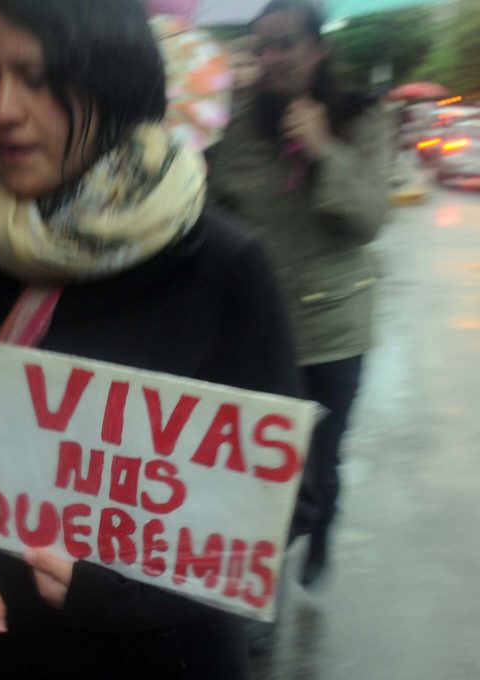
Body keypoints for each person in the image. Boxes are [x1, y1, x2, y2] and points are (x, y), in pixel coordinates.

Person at [0, 0, 301, 677]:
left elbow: (282, 499)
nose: (5, 110)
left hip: (162, 654)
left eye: (39, 76)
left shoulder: (222, 264)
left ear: (113, 78)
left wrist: (122, 592)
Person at [208, 0, 389, 590]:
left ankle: (322, 529)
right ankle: (266, 587)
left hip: (334, 332)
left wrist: (323, 150)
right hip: (258, 328)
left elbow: (367, 217)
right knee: (261, 472)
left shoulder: (362, 119)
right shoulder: (231, 124)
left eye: (285, 44)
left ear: (317, 50)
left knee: (321, 463)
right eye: (263, 46)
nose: (272, 58)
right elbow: (204, 207)